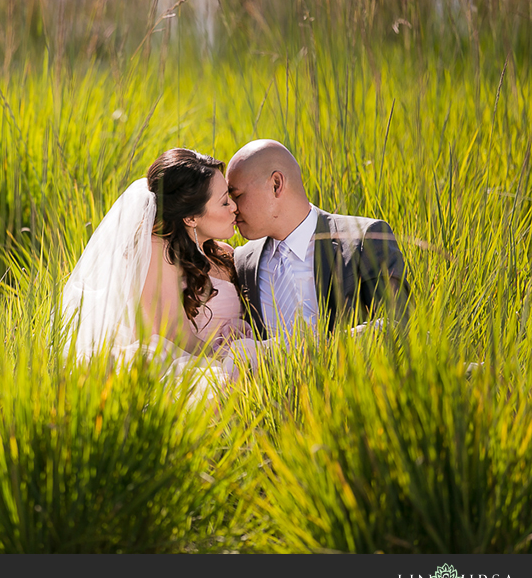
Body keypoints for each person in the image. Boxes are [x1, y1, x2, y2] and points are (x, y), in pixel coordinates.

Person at [60, 148, 259, 394]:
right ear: (191, 218)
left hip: (226, 359)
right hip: (184, 365)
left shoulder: (223, 252)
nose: (234, 208)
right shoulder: (158, 250)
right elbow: (174, 333)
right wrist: (235, 361)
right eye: (224, 202)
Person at [226, 139, 410, 341]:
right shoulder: (242, 260)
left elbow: (398, 322)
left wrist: (318, 349)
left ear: (276, 185)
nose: (232, 208)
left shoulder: (365, 238)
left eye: (237, 195)